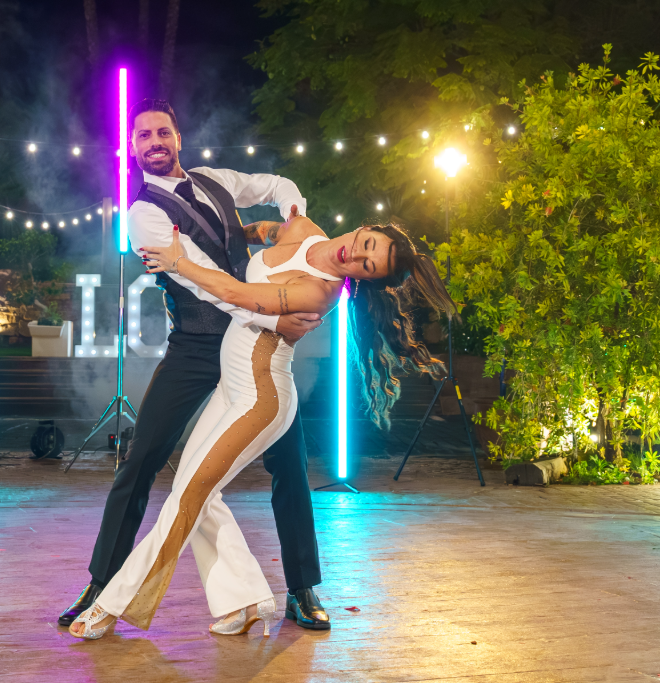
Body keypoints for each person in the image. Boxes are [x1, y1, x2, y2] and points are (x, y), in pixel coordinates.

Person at [69, 212, 456, 640]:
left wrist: (179, 262)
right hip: (231, 385)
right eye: (367, 245)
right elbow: (265, 232)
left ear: (365, 279)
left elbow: (235, 293)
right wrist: (240, 233)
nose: (356, 256)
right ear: (367, 228)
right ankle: (244, 599)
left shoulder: (319, 290)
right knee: (193, 490)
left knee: (189, 496)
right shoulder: (304, 230)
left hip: (261, 398)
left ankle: (112, 605)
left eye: (367, 266)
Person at [58, 99, 333, 633]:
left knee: (290, 464)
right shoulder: (144, 214)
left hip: (254, 343)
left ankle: (302, 588)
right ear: (132, 147)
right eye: (143, 135)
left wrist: (294, 218)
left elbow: (276, 184)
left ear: (178, 137)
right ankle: (101, 584)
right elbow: (205, 279)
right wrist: (276, 317)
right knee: (140, 462)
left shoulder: (214, 179)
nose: (154, 142)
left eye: (162, 132)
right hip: (198, 345)